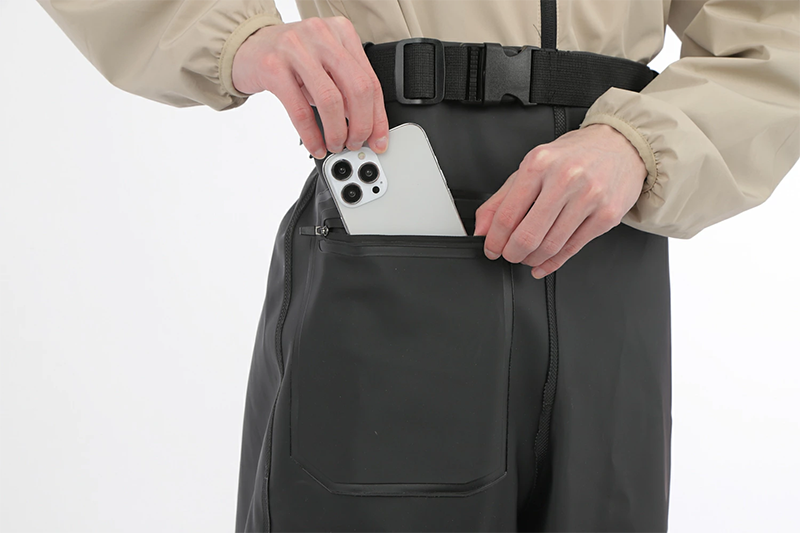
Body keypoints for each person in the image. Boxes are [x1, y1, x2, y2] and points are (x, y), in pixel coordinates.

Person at [37, 1, 800, 532]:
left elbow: (779, 31)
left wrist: (648, 142)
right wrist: (238, 38)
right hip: (399, 198)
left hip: (607, 225)